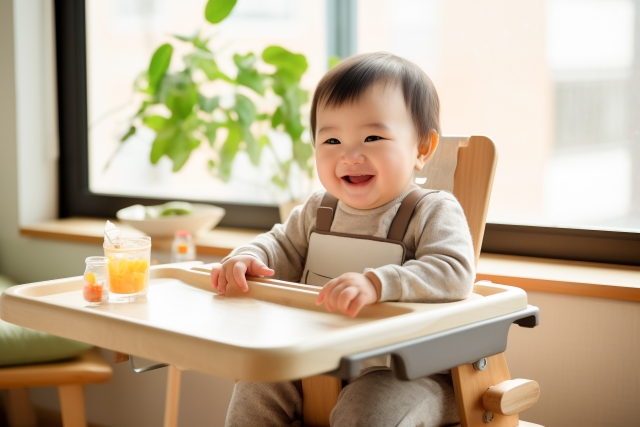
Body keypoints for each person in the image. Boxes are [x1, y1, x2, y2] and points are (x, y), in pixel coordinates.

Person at [210, 52, 475, 427]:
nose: (350, 155)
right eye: (331, 139)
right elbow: (281, 246)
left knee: (365, 414)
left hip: (407, 372)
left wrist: (377, 283)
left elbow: (454, 271)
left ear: (422, 148)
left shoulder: (431, 210)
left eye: (372, 137)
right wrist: (247, 257)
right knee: (256, 385)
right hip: (317, 355)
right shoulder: (320, 209)